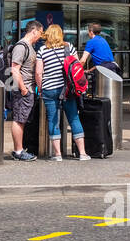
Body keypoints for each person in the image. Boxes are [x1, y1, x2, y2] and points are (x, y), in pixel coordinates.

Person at [33, 24, 88, 161]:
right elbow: (77, 67)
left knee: (53, 120)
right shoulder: (69, 47)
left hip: (49, 89)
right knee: (74, 118)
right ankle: (82, 153)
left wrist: (40, 88)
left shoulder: (42, 50)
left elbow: (38, 73)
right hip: (68, 89)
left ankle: (57, 155)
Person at [8, 20, 43, 161]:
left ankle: (20, 149)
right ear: (34, 31)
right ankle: (18, 151)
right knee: (19, 120)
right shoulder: (21, 47)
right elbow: (14, 70)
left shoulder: (29, 46)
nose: (40, 36)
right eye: (40, 33)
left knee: (22, 120)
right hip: (23, 90)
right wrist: (23, 89)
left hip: (27, 89)